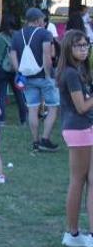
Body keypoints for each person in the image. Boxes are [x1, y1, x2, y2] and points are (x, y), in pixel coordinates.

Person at [56, 30, 93, 246]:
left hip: (86, 128)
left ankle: (86, 234)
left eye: (86, 45)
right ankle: (73, 233)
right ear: (69, 48)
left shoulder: (80, 70)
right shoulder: (70, 73)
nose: (84, 49)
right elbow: (81, 107)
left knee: (89, 181)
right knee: (77, 181)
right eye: (78, 45)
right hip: (78, 129)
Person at [10, 7, 59, 152]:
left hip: (26, 78)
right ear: (38, 20)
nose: (44, 22)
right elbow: (47, 55)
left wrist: (19, 72)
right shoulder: (45, 33)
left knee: (32, 109)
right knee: (53, 107)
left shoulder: (17, 35)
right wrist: (49, 74)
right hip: (43, 76)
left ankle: (35, 141)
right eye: (43, 20)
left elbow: (13, 55)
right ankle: (45, 139)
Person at [0, 13, 27, 125]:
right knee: (19, 94)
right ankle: (23, 120)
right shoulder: (20, 36)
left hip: (2, 69)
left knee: (1, 94)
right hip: (16, 68)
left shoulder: (0, 37)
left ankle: (2, 120)